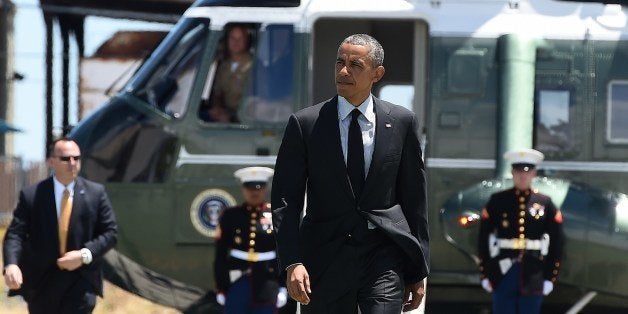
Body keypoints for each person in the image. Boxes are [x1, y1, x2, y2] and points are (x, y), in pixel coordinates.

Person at [271, 34, 429, 313]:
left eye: (355, 64)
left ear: (377, 74)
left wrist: (418, 270)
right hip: (324, 257)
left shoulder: (402, 122)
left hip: (383, 256)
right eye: (340, 62)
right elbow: (286, 200)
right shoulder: (305, 124)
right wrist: (292, 262)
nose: (344, 71)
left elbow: (414, 199)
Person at [2, 137, 118, 313]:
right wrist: (11, 264)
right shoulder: (32, 195)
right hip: (42, 283)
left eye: (76, 158)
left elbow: (110, 233)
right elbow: (15, 234)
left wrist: (83, 255)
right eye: (65, 159)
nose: (72, 163)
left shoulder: (96, 193)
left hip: (81, 279)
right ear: (51, 161)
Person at [478, 148, 565, 314]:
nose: (523, 175)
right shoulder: (498, 200)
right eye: (518, 171)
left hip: (534, 274)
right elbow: (483, 239)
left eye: (527, 171)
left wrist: (550, 278)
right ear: (512, 172)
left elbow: (557, 242)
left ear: (534, 173)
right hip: (503, 272)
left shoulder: (545, 203)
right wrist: (485, 274)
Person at [214, 166, 289, 313]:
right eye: (250, 188)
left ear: (265, 189)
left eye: (259, 188)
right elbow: (220, 254)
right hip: (236, 280)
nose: (254, 192)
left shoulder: (276, 215)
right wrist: (221, 287)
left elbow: (283, 252)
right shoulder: (230, 215)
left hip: (268, 282)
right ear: (243, 189)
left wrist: (282, 286)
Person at [208, 23, 254, 123]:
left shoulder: (254, 66)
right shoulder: (224, 66)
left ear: (246, 40)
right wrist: (217, 107)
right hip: (225, 115)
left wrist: (231, 118)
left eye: (240, 38)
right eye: (232, 38)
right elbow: (217, 92)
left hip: (244, 120)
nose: (235, 42)